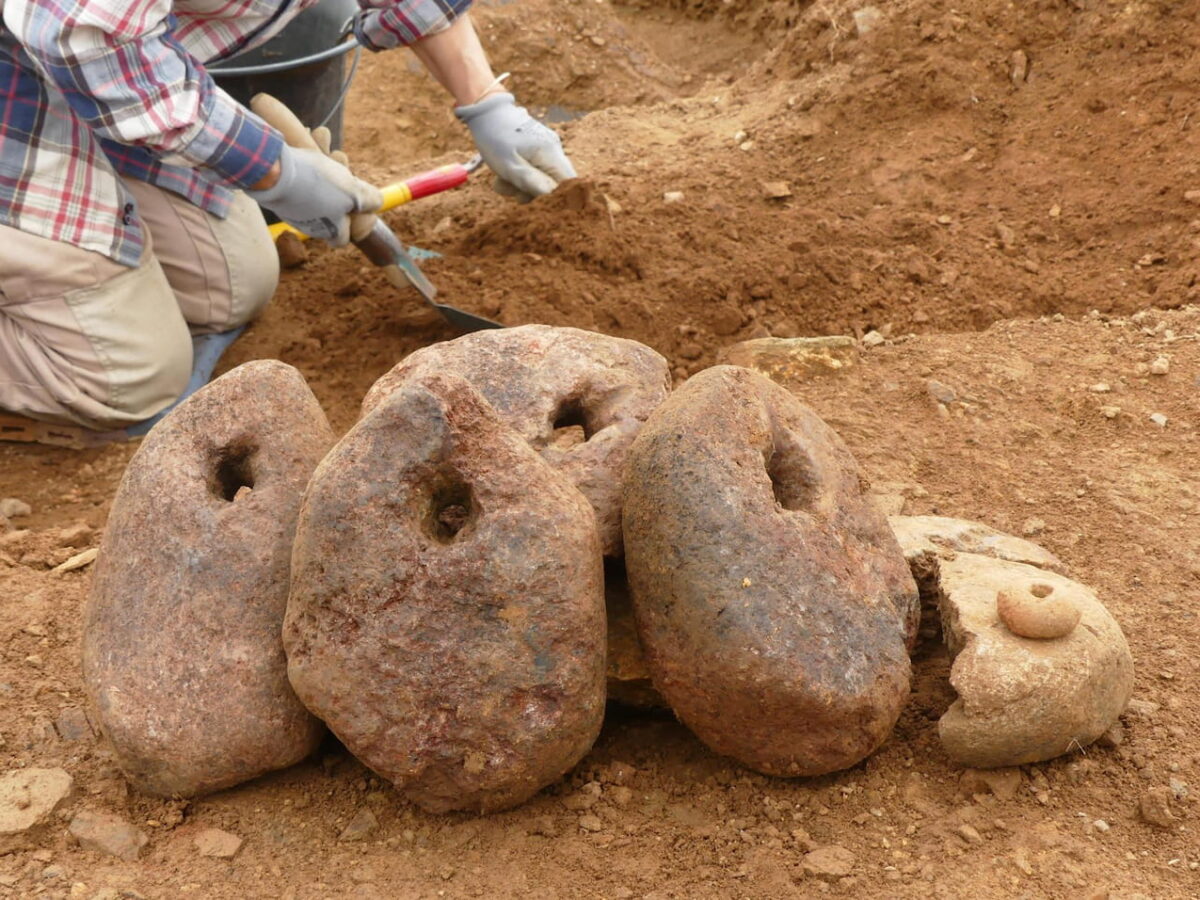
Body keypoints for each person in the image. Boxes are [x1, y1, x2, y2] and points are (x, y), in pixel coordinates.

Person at [0, 0, 575, 431]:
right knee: (128, 383)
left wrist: (486, 102)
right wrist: (279, 172)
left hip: (90, 84)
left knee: (235, 286)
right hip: (26, 87)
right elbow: (79, 32)